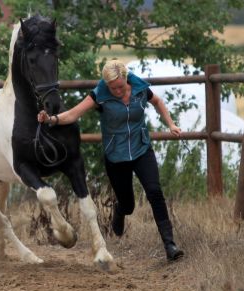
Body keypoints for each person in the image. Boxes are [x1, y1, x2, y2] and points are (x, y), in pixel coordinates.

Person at [37, 59, 184, 261]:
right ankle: (120, 210)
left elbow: (157, 101)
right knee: (128, 204)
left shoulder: (140, 88)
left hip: (142, 149)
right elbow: (72, 115)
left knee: (154, 192)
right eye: (112, 88)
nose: (116, 90)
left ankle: (170, 245)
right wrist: (51, 119)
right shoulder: (100, 94)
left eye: (120, 87)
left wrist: (171, 124)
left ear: (126, 79)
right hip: (116, 155)